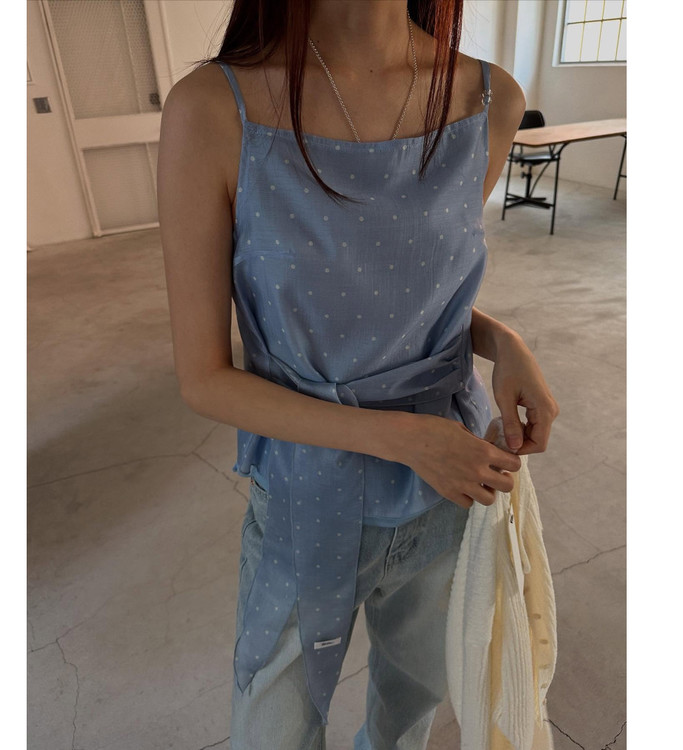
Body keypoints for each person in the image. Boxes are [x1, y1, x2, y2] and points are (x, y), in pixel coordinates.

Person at [157, 1, 559, 748]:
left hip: (450, 487)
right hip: (308, 492)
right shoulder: (214, 108)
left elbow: (412, 291)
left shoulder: (488, 98)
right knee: (272, 724)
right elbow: (204, 376)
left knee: (411, 709)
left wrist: (503, 342)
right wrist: (404, 439)